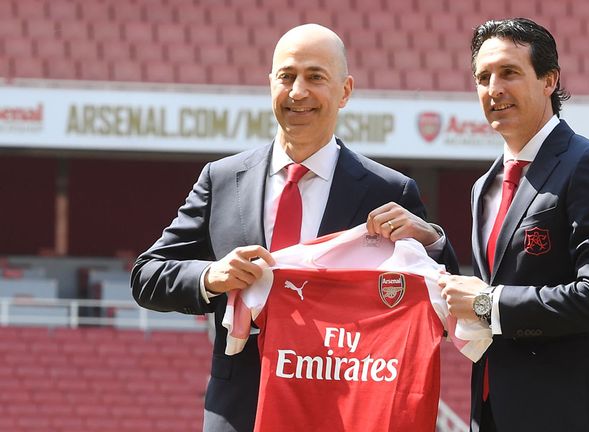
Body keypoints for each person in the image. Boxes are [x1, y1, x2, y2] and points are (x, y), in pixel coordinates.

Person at [131, 24, 457, 432]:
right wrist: (211, 276)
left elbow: (441, 298)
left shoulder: (388, 190)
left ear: (345, 91)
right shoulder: (222, 178)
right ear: (270, 85)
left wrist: (431, 239)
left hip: (343, 409)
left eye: (315, 77)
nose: (297, 91)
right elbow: (147, 276)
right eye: (286, 77)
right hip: (241, 409)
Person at [438, 18, 589, 432]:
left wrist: (488, 305)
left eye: (509, 72)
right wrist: (429, 239)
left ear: (550, 79)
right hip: (493, 410)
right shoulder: (484, 186)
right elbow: (489, 285)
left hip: (571, 415)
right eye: (483, 76)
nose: (493, 88)